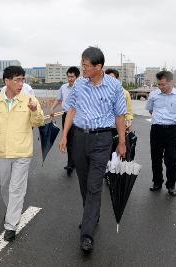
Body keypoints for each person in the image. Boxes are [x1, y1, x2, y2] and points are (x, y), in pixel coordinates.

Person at [59, 47, 126, 253]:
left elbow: (120, 115)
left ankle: (87, 234)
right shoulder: (79, 83)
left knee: (94, 185)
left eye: (86, 65)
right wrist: (64, 135)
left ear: (98, 67)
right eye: (82, 64)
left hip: (102, 139)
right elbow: (71, 108)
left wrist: (121, 142)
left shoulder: (115, 86)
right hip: (79, 137)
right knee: (84, 182)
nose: (83, 68)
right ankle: (92, 215)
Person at [0, 66, 44, 241]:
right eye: (17, 80)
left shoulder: (29, 100)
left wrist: (35, 110)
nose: (20, 83)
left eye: (22, 80)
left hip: (22, 152)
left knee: (16, 188)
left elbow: (39, 121)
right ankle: (12, 210)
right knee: (5, 186)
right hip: (2, 152)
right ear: (6, 81)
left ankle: (11, 225)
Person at [146, 70, 176, 197]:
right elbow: (150, 110)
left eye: (163, 84)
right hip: (157, 130)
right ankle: (157, 182)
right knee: (156, 158)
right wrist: (160, 120)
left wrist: (169, 119)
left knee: (173, 159)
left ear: (171, 82)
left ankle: (171, 185)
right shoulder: (153, 95)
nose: (161, 87)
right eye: (159, 84)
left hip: (172, 130)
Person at [50, 66, 80, 175]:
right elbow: (59, 99)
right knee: (67, 138)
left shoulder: (82, 88)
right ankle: (70, 163)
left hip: (79, 116)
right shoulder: (63, 87)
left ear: (77, 77)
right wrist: (52, 108)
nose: (70, 79)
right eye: (69, 77)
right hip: (66, 115)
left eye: (72, 77)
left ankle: (75, 162)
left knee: (77, 140)